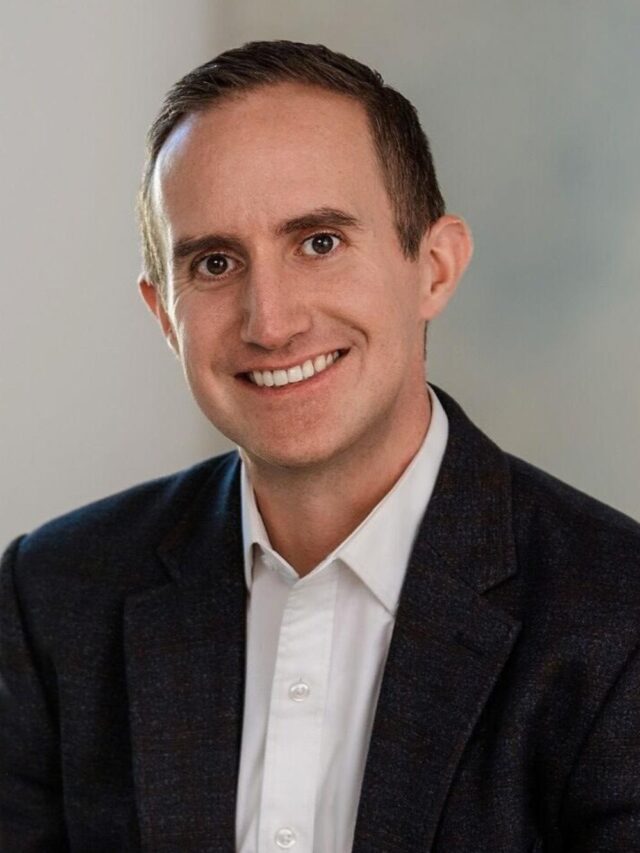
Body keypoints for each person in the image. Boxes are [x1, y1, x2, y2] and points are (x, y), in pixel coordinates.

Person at [1, 39, 639, 853]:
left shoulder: (617, 618)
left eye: (319, 243)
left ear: (434, 267)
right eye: (216, 262)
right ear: (165, 314)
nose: (271, 321)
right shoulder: (53, 597)